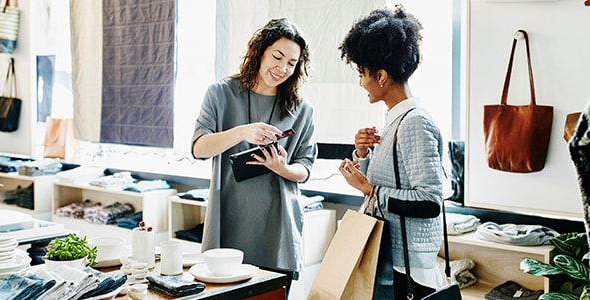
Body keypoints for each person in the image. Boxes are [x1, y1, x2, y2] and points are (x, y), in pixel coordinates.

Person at [191, 18, 317, 294]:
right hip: (229, 222)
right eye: (277, 56)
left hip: (278, 229)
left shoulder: (302, 109)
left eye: (292, 63)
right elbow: (199, 148)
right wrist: (241, 132)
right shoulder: (220, 94)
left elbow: (305, 168)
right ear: (259, 51)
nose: (282, 68)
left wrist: (282, 167)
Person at [337, 5, 445, 299]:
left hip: (408, 266)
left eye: (362, 73)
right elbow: (394, 184)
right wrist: (363, 155)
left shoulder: (414, 122)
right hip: (394, 256)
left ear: (381, 76)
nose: (361, 82)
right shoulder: (396, 119)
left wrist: (369, 189)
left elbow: (429, 201)